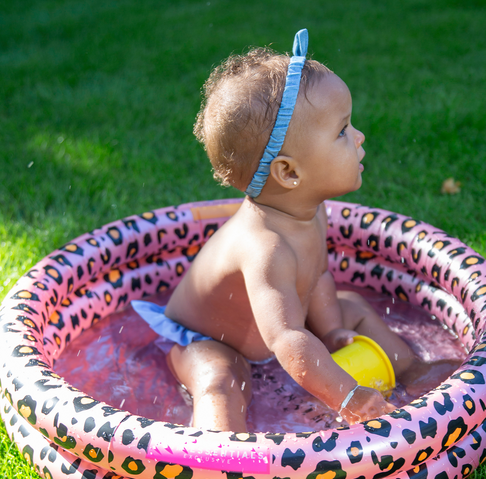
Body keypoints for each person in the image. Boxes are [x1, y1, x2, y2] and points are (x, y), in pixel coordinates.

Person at [132, 30, 457, 431]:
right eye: (342, 131)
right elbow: (286, 338)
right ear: (289, 172)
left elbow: (318, 272)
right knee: (223, 380)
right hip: (202, 341)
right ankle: (218, 458)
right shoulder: (264, 247)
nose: (359, 137)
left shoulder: (310, 210)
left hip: (280, 327)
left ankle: (413, 371)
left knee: (350, 305)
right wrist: (348, 396)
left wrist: (333, 328)